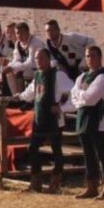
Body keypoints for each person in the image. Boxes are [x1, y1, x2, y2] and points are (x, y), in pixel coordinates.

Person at [15, 48, 74, 193]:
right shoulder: (37, 76)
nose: (38, 61)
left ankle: (55, 182)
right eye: (36, 58)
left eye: (41, 58)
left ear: (48, 59)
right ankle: (36, 182)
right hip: (40, 119)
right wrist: (18, 96)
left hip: (54, 120)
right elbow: (29, 94)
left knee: (56, 151)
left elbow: (74, 91)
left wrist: (62, 106)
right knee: (33, 149)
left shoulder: (57, 75)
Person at [71, 46, 104, 200]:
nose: (90, 59)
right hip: (83, 119)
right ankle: (91, 186)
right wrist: (81, 97)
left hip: (99, 121)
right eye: (88, 56)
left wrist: (80, 96)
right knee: (88, 154)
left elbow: (91, 99)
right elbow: (74, 97)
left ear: (100, 57)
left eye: (93, 56)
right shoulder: (82, 77)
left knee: (102, 154)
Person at [2, 22, 45, 95]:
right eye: (16, 33)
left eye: (20, 33)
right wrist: (10, 66)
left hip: (39, 68)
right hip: (26, 67)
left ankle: (28, 98)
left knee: (25, 72)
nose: (18, 36)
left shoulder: (35, 42)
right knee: (9, 72)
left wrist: (14, 67)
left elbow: (32, 62)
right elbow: (16, 59)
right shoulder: (18, 43)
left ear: (27, 32)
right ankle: (16, 96)